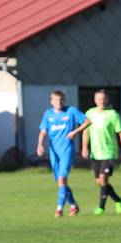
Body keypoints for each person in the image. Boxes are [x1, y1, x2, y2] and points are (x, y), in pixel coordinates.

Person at [36, 90, 86, 218]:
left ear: (64, 100)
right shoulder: (48, 114)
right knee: (60, 182)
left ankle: (59, 209)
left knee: (62, 179)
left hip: (66, 150)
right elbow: (43, 131)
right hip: (54, 152)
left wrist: (75, 131)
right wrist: (40, 144)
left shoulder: (71, 111)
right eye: (56, 100)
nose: (59, 102)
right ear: (51, 102)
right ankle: (74, 206)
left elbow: (87, 121)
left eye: (61, 100)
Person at [81, 90, 121, 216]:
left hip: (109, 152)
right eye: (99, 99)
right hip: (95, 153)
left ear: (107, 100)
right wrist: (84, 147)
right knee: (100, 182)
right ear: (95, 100)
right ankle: (118, 200)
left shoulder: (113, 114)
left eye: (104, 99)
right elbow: (85, 131)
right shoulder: (89, 113)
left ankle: (101, 207)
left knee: (103, 179)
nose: (102, 101)